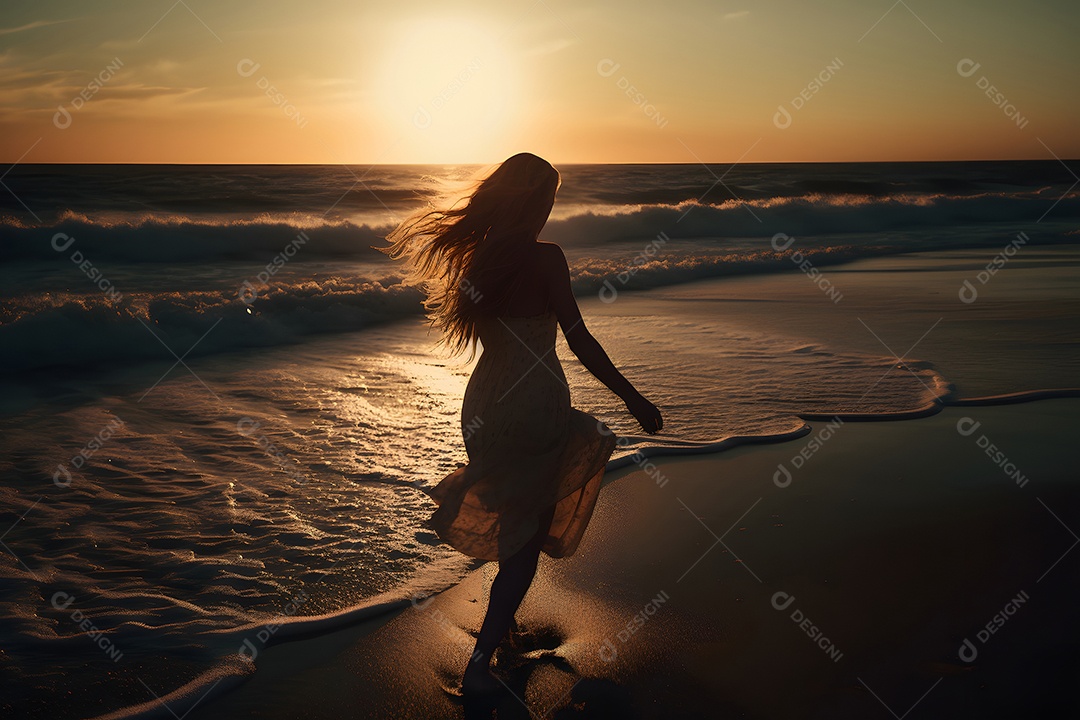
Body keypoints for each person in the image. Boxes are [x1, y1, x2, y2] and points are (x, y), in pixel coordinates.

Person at [382, 152, 663, 695]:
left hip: (485, 403)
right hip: (536, 402)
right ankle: (480, 660)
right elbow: (578, 338)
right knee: (529, 536)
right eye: (549, 197)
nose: (552, 207)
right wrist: (631, 396)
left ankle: (501, 625)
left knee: (513, 519)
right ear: (535, 200)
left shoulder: (481, 259)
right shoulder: (546, 258)